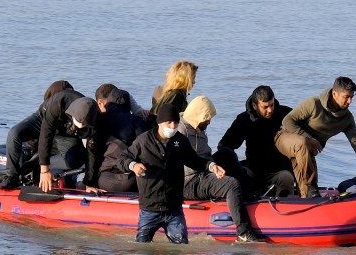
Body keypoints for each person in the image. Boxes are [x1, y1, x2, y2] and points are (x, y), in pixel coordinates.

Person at [119, 105, 220, 243]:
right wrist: (133, 165)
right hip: (149, 208)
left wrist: (211, 166)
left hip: (174, 209)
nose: (173, 126)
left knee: (181, 246)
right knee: (141, 249)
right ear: (159, 123)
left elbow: (194, 161)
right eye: (169, 122)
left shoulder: (181, 141)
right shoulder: (143, 141)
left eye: (176, 123)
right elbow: (122, 159)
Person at [179, 96, 267, 243]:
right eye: (206, 119)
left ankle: (249, 194)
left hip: (206, 168)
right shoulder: (181, 132)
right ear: (198, 116)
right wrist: (211, 169)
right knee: (230, 184)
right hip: (189, 181)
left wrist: (213, 166)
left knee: (227, 153)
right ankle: (243, 232)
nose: (209, 122)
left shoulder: (198, 126)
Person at [276, 76, 356, 198]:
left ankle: (306, 201)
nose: (350, 102)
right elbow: (287, 120)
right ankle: (310, 190)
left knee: (308, 192)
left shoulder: (347, 119)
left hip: (306, 152)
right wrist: (308, 137)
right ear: (334, 94)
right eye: (346, 97)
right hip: (284, 137)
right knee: (302, 143)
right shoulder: (313, 104)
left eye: (352, 97)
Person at [217, 85, 295, 197]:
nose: (270, 110)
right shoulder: (244, 120)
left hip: (279, 170)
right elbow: (224, 146)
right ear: (254, 105)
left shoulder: (285, 114)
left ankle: (287, 206)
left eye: (272, 105)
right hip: (253, 170)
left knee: (287, 178)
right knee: (236, 173)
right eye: (265, 107)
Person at [0, 80, 74, 188]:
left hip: (58, 159)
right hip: (43, 159)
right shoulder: (43, 117)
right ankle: (12, 176)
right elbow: (37, 142)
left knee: (72, 162)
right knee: (14, 133)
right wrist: (43, 169)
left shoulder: (74, 115)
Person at [37, 90, 99, 192]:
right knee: (71, 161)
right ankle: (38, 164)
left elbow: (92, 151)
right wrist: (44, 170)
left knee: (76, 159)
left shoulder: (94, 120)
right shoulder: (56, 105)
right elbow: (45, 136)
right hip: (56, 133)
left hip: (68, 137)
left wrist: (89, 184)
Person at [89, 88, 148, 193]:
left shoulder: (99, 120)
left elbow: (93, 152)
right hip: (131, 180)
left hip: (105, 180)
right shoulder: (136, 120)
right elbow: (145, 147)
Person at [150, 60, 198, 127]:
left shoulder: (171, 93)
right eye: (193, 78)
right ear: (185, 79)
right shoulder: (176, 95)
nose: (194, 82)